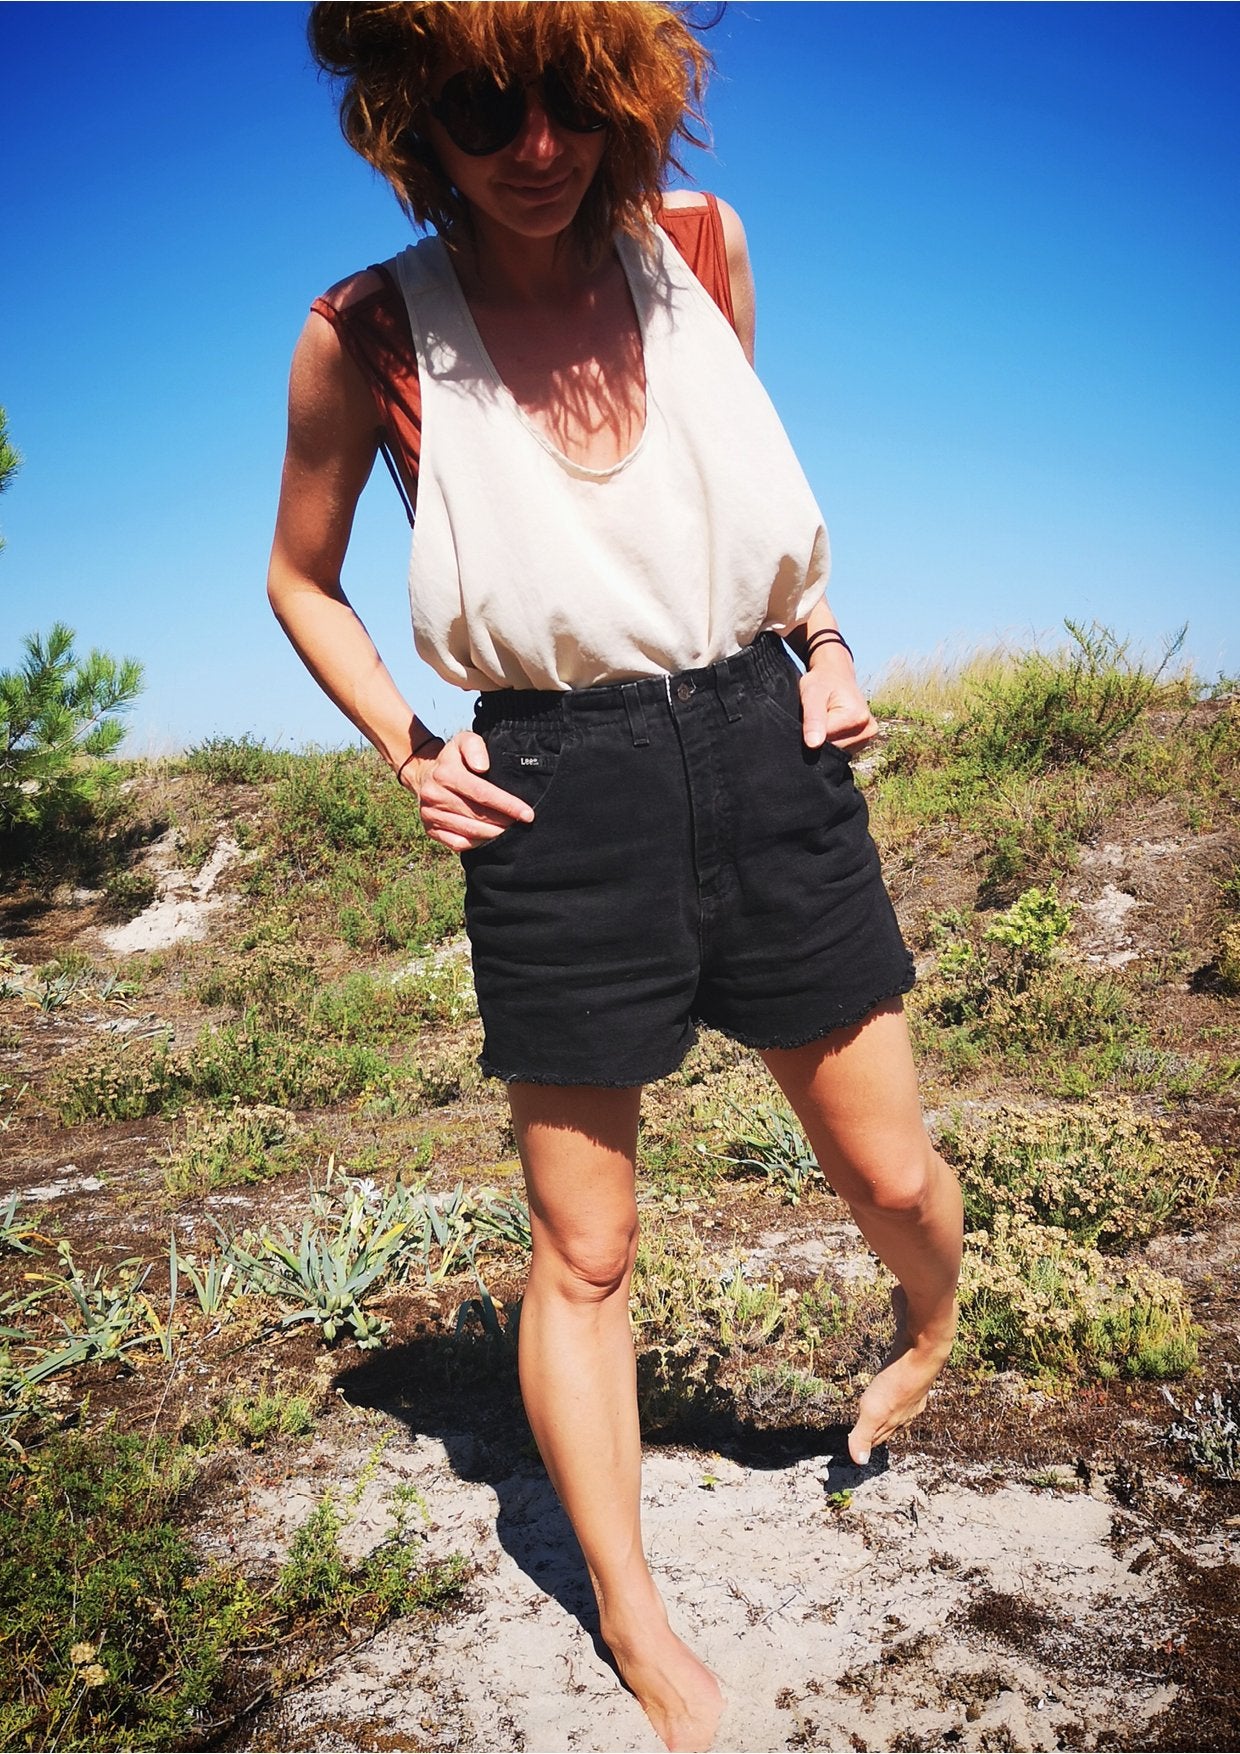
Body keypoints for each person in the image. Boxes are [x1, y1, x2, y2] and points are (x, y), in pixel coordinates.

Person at [268, 5, 964, 1748]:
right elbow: (299, 578)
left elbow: (743, 489)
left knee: (892, 1170)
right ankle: (637, 1621)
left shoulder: (702, 248)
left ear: (627, 97)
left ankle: (932, 1317)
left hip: (761, 742)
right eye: (483, 103)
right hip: (556, 791)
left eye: (572, 100)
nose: (535, 145)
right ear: (413, 110)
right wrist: (410, 747)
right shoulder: (368, 334)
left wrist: (826, 643)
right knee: (585, 1246)